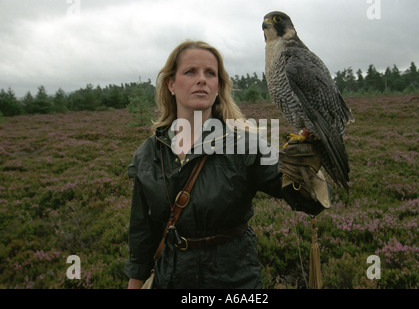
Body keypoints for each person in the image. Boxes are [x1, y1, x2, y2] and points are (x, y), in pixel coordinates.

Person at [124, 40, 330, 289]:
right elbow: (142, 236)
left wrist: (306, 165)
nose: (202, 79)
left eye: (210, 73)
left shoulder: (245, 145)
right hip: (170, 280)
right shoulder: (150, 153)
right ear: (171, 84)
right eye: (190, 72)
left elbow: (309, 201)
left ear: (218, 86)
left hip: (235, 283)